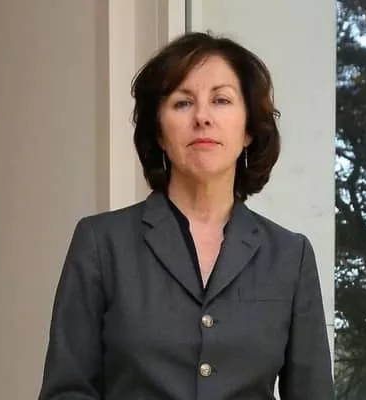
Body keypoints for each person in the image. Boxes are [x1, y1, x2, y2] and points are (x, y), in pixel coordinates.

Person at [38, 31, 333, 400]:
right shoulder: (101, 243)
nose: (202, 117)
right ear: (160, 133)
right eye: (182, 103)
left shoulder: (290, 255)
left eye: (221, 100)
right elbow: (67, 390)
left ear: (248, 130)